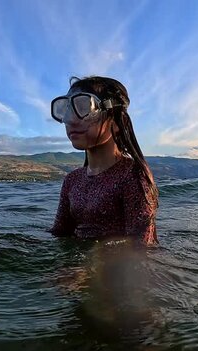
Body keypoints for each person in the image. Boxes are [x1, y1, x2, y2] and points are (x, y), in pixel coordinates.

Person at [49, 76, 159, 247]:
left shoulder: (133, 176)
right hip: (78, 267)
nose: (69, 120)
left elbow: (142, 247)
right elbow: (59, 235)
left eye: (83, 107)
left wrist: (92, 265)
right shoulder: (71, 180)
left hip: (115, 271)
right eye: (65, 110)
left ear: (116, 122)